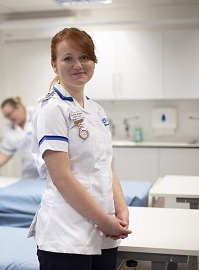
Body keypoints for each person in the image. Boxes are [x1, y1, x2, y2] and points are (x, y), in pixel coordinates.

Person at [29, 27, 132, 270]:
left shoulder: (96, 110)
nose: (78, 65)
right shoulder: (52, 109)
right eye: (68, 58)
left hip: (103, 233)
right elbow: (62, 178)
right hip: (66, 237)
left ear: (93, 61)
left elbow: (106, 165)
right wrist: (104, 221)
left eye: (84, 57)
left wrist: (121, 208)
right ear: (54, 65)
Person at [0, 97, 40, 179]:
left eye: (9, 114)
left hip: (49, 170)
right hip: (29, 172)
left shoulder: (37, 113)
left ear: (18, 107)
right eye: (6, 116)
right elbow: (5, 154)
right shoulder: (10, 128)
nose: (9, 118)